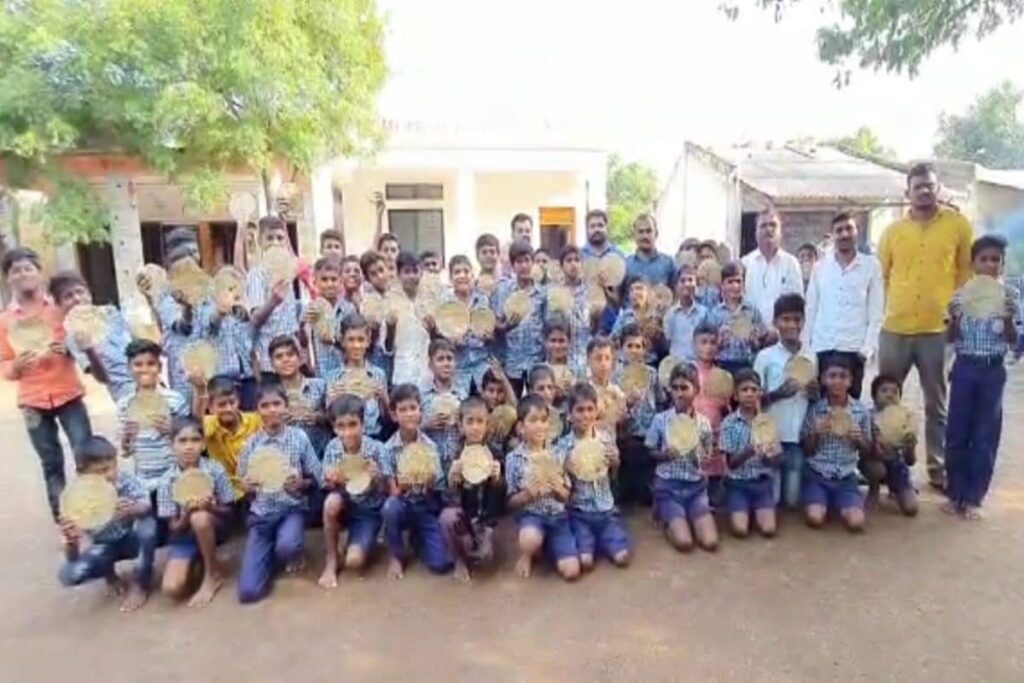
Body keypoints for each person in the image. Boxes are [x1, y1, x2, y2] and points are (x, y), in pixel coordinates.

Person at [877, 162, 973, 491]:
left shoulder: (958, 226)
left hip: (937, 329)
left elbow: (964, 274)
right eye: (918, 186)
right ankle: (887, 468)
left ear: (939, 188)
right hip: (895, 328)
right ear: (907, 192)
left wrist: (956, 317)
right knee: (887, 400)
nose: (924, 191)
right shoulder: (892, 232)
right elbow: (883, 277)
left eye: (929, 185)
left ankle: (937, 468)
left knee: (936, 403)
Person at [0, 247, 93, 520]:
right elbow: (4, 364)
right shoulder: (5, 321)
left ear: (39, 273)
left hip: (69, 394)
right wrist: (15, 367)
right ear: (8, 279)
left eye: (28, 268)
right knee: (51, 463)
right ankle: (66, 523)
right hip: (32, 402)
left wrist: (68, 348)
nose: (22, 274)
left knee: (85, 455)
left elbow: (81, 341)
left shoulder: (59, 309)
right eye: (15, 271)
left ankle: (93, 513)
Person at [944, 235, 1019, 520]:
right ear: (973, 263)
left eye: (995, 259)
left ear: (1002, 264)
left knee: (986, 434)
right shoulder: (961, 296)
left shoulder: (1009, 297)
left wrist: (1010, 319)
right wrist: (954, 321)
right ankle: (955, 494)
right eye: (984, 259)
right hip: (965, 367)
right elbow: (950, 339)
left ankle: (974, 498)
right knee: (957, 432)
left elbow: (1013, 342)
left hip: (993, 370)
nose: (990, 264)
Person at [236, 385, 322, 603]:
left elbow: (318, 476)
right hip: (262, 515)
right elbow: (243, 487)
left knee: (288, 546)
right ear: (257, 411)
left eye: (277, 404)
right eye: (265, 405)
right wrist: (247, 487)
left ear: (286, 407)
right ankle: (267, 553)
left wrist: (301, 483)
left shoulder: (299, 438)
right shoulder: (250, 445)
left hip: (291, 509)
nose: (272, 410)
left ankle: (287, 549)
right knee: (249, 593)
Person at [57, 435, 156, 612]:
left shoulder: (125, 481)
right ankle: (109, 575)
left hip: (131, 539)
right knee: (70, 574)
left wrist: (132, 509)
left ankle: (141, 583)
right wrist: (70, 541)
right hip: (105, 547)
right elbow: (72, 557)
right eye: (101, 471)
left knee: (148, 526)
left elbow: (147, 506)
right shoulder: (76, 499)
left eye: (112, 467)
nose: (110, 475)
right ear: (81, 473)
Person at [156, 418, 235, 607]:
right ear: (171, 445)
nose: (189, 447)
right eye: (182, 441)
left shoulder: (214, 470)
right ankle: (199, 558)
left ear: (203, 444)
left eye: (195, 440)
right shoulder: (167, 480)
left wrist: (210, 508)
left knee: (199, 518)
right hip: (184, 536)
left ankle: (212, 574)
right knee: (172, 589)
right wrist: (186, 515)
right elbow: (174, 528)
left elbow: (230, 511)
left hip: (213, 527)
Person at [804, 212, 883, 400]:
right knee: (821, 407)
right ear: (832, 235)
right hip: (824, 348)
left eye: (849, 228)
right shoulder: (820, 268)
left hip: (853, 350)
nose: (844, 234)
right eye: (839, 230)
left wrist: (866, 350)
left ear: (857, 232)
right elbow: (811, 309)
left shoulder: (871, 266)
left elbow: (877, 312)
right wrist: (808, 350)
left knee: (850, 409)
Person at [505, 394, 580, 581]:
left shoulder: (559, 453)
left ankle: (548, 545)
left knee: (571, 571)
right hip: (531, 516)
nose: (540, 425)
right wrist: (527, 494)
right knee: (529, 538)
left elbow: (567, 496)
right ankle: (528, 553)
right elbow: (510, 502)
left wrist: (558, 490)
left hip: (558, 517)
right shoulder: (513, 459)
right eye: (533, 420)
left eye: (544, 420)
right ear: (521, 427)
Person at [379, 384, 452, 579]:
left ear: (421, 411)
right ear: (394, 415)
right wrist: (403, 485)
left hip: (425, 505)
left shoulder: (430, 447)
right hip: (402, 504)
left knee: (441, 564)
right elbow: (391, 492)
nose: (409, 414)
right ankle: (396, 554)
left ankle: (418, 539)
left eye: (413, 408)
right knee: (389, 508)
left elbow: (438, 489)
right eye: (403, 410)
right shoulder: (387, 449)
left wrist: (429, 482)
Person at [645, 363, 719, 552]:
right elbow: (650, 450)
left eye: (684, 388)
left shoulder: (703, 424)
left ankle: (686, 517)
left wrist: (698, 456)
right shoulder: (661, 420)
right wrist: (664, 455)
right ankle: (666, 516)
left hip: (695, 487)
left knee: (710, 542)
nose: (679, 393)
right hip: (668, 486)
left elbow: (706, 457)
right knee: (684, 543)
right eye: (675, 388)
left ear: (696, 390)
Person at [557, 383, 631, 571]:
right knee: (585, 562)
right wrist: (566, 470)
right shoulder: (564, 446)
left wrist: (615, 462)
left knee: (622, 558)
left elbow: (614, 476)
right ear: (570, 414)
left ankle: (605, 539)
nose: (585, 415)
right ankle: (589, 543)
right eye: (579, 410)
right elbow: (561, 489)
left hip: (606, 510)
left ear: (597, 410)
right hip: (580, 512)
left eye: (590, 409)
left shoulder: (605, 439)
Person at [754, 293, 817, 509]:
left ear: (803, 321)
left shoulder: (811, 356)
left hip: (797, 438)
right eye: (786, 319)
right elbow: (754, 401)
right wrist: (777, 394)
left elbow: (816, 400)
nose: (792, 325)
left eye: (797, 319)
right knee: (774, 501)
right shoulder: (765, 357)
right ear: (775, 322)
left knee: (790, 503)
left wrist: (814, 392)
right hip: (772, 438)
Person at [319, 395, 386, 589]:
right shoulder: (333, 448)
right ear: (333, 428)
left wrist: (376, 478)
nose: (347, 432)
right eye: (341, 426)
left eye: (353, 424)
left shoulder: (376, 449)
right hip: (345, 506)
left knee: (354, 562)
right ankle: (331, 559)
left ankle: (358, 543)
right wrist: (333, 480)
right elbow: (325, 485)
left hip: (368, 512)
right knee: (331, 502)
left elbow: (384, 492)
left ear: (363, 424)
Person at [800, 355, 872, 533]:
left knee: (856, 523)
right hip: (818, 474)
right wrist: (815, 434)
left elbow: (868, 450)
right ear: (823, 379)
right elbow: (807, 450)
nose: (837, 381)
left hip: (846, 476)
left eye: (843, 376)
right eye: (832, 376)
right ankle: (821, 501)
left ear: (850, 381)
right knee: (814, 519)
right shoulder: (815, 409)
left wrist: (859, 438)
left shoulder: (860, 411)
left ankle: (837, 502)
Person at [441, 396, 504, 582]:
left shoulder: (495, 453)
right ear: (460, 426)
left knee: (486, 559)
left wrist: (497, 479)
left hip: (486, 520)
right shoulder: (455, 454)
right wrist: (452, 481)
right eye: (470, 421)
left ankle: (482, 543)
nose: (475, 427)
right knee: (447, 518)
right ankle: (459, 560)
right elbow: (447, 497)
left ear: (487, 425)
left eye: (480, 421)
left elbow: (502, 495)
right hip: (464, 518)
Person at [118, 340, 190, 495]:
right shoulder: (125, 404)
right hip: (143, 481)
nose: (144, 369)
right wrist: (126, 440)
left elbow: (191, 439)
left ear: (159, 367)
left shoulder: (175, 400)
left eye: (151, 364)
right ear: (128, 368)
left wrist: (173, 430)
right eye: (138, 364)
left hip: (174, 476)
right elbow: (127, 450)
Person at [50, 271, 134, 404]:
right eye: (68, 296)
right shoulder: (72, 337)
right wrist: (89, 350)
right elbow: (102, 378)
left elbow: (137, 344)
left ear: (89, 293)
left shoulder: (111, 312)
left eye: (80, 292)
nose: (77, 298)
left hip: (152, 380)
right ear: (59, 305)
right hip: (125, 393)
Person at [720, 370, 780, 538]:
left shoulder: (767, 422)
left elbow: (775, 462)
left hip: (762, 483)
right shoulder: (729, 423)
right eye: (744, 390)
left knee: (768, 530)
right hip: (738, 484)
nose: (750, 394)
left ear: (760, 394)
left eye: (754, 390)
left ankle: (755, 510)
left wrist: (770, 455)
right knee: (740, 530)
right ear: (736, 395)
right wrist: (751, 450)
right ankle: (741, 509)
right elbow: (731, 463)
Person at [245, 216, 301, 382]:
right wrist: (273, 301)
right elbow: (255, 319)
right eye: (270, 238)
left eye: (280, 238)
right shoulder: (257, 274)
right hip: (270, 363)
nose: (275, 243)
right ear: (260, 242)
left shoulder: (289, 274)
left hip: (292, 360)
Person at [193, 375, 262, 503]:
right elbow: (196, 424)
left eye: (232, 402)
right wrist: (199, 390)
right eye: (222, 404)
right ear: (210, 407)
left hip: (258, 486)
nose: (229, 409)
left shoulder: (255, 420)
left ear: (239, 401)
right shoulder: (210, 424)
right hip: (227, 491)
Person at [612, 323, 659, 506]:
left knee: (644, 490)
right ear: (621, 348)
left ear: (644, 349)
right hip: (625, 433)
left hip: (647, 432)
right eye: (629, 346)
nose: (634, 350)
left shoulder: (652, 374)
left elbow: (659, 399)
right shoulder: (615, 375)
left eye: (638, 346)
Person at [493, 239, 546, 396]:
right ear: (512, 265)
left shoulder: (542, 293)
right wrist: (505, 327)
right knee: (512, 407)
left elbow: (546, 326)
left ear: (533, 262)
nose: (524, 266)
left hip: (536, 360)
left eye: (527, 261)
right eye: (519, 262)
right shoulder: (503, 291)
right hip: (511, 362)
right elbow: (495, 324)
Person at [324, 313, 389, 441]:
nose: (356, 345)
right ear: (343, 342)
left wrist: (384, 398)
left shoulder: (378, 375)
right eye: (351, 340)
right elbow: (328, 421)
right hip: (344, 440)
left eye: (360, 339)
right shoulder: (333, 377)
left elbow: (386, 418)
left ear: (368, 341)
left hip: (374, 436)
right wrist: (332, 401)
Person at [864, 375, 918, 516]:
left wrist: (910, 446)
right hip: (874, 461)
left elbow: (910, 461)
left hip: (898, 467)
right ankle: (873, 489)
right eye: (884, 391)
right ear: (874, 396)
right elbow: (861, 449)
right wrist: (874, 446)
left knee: (911, 508)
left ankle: (896, 488)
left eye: (895, 392)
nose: (890, 395)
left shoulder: (906, 418)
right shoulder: (867, 416)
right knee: (877, 469)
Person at [268, 336, 329, 456]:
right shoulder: (271, 396)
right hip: (287, 459)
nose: (285, 360)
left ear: (300, 358)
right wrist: (278, 420)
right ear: (272, 365)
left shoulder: (320, 386)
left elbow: (336, 418)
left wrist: (317, 417)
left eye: (290, 354)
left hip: (321, 455)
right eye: (279, 357)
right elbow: (264, 430)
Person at [741, 208, 803, 324]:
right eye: (763, 226)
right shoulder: (745, 264)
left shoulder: (791, 264)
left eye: (773, 225)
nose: (768, 229)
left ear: (780, 231)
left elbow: (797, 306)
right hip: (751, 337)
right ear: (755, 232)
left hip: (782, 337)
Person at [442, 255, 493, 394]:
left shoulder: (483, 299)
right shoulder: (445, 303)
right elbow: (440, 335)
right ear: (451, 278)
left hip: (481, 364)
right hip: (458, 368)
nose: (462, 275)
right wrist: (450, 342)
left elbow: (490, 331)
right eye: (457, 272)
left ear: (472, 275)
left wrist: (488, 336)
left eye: (466, 271)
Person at [707, 261, 767, 375]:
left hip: (746, 363)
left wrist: (754, 341)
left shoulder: (752, 311)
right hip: (722, 363)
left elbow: (759, 344)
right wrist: (719, 341)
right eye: (730, 282)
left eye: (738, 281)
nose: (735, 286)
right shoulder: (715, 313)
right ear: (722, 285)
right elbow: (709, 345)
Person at [302, 256, 355, 380]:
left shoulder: (349, 309)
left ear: (341, 281)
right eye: (324, 280)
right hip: (321, 373)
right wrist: (303, 325)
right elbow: (303, 342)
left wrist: (333, 340)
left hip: (345, 371)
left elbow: (352, 342)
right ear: (315, 282)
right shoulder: (311, 308)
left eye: (333, 279)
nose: (329, 284)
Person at [419, 339, 468, 474]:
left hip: (456, 459)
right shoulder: (421, 394)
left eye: (450, 359)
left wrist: (460, 423)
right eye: (440, 359)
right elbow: (410, 429)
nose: (446, 363)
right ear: (430, 365)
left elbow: (468, 430)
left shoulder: (463, 394)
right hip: (430, 461)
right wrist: (425, 425)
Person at [389, 251, 431, 387]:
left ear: (421, 273)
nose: (412, 276)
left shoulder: (431, 299)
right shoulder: (390, 300)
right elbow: (387, 345)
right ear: (398, 275)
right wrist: (390, 326)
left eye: (415, 271)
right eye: (407, 272)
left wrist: (434, 328)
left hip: (428, 370)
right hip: (403, 370)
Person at [558, 245, 600, 375]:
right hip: (562, 360)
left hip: (586, 360)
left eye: (577, 260)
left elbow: (596, 329)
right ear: (561, 266)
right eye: (568, 260)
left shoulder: (592, 292)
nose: (573, 264)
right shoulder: (554, 293)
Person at [663, 264, 707, 363]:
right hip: (675, 363)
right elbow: (668, 341)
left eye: (690, 280)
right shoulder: (670, 314)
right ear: (676, 286)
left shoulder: (704, 313)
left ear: (697, 285)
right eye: (682, 281)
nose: (687, 284)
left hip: (697, 363)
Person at [610, 276, 659, 365]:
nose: (635, 292)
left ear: (648, 292)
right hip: (625, 363)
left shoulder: (656, 317)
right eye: (632, 290)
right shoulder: (625, 315)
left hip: (649, 364)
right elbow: (613, 339)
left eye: (639, 288)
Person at [625, 213, 676, 287]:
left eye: (649, 231)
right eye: (640, 232)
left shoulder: (669, 263)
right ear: (634, 235)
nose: (645, 236)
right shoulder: (626, 264)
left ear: (656, 234)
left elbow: (676, 294)